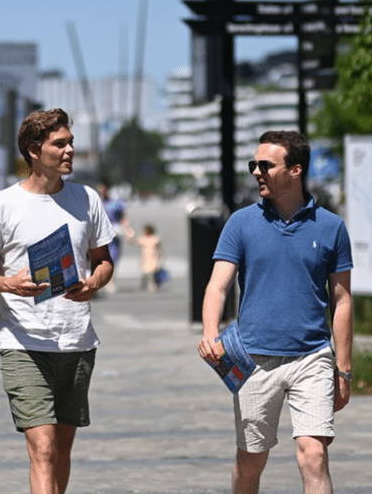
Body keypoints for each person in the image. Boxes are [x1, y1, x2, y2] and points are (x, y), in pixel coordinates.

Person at [0, 108, 115, 494]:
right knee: (43, 448)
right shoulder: (2, 204)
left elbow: (103, 262)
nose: (70, 151)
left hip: (76, 340)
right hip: (23, 342)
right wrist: (9, 284)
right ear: (34, 150)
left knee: (61, 449)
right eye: (59, 144)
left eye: (71, 143)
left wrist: (93, 283)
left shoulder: (86, 199)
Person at [198, 130, 353, 494]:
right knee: (250, 463)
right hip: (253, 360)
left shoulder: (331, 227)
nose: (256, 172)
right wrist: (210, 332)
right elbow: (217, 287)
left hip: (312, 357)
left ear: (295, 170)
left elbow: (343, 300)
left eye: (265, 165)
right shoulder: (240, 223)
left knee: (313, 456)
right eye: (253, 165)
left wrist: (343, 369)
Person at [97, 180, 129, 293]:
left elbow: (123, 217)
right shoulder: (95, 201)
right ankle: (105, 281)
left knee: (113, 258)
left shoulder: (116, 202)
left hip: (114, 235)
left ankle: (110, 281)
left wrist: (128, 231)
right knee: (102, 259)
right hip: (99, 235)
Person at [125, 223, 163, 292]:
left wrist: (161, 256)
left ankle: (153, 285)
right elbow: (135, 243)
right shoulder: (143, 239)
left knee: (153, 272)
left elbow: (159, 248)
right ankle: (145, 283)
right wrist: (129, 238)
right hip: (145, 258)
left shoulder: (155, 238)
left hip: (153, 257)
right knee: (145, 272)